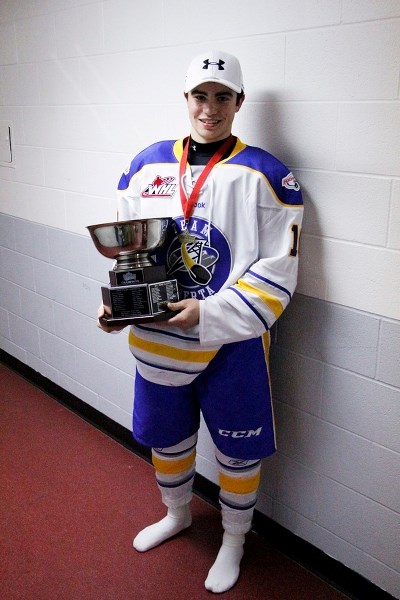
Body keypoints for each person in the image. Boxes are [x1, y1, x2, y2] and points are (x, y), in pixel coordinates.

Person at [97, 50, 303, 593]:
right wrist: (119, 307)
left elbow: (279, 271)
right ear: (185, 99)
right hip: (159, 338)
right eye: (200, 95)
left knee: (238, 446)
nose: (209, 108)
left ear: (239, 102)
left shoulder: (267, 173)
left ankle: (234, 538)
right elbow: (130, 254)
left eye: (222, 97)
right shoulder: (146, 164)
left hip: (232, 340)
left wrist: (210, 312)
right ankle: (178, 513)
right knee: (167, 438)